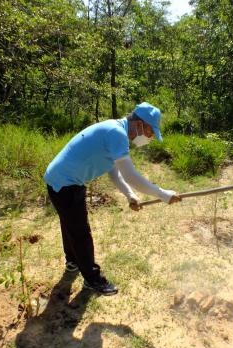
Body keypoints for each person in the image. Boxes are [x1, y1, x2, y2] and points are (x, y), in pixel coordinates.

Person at [44, 102, 181, 296]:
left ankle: (73, 261)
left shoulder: (115, 130)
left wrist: (130, 195)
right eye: (150, 132)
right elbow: (131, 176)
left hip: (62, 180)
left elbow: (115, 173)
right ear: (140, 124)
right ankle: (92, 280)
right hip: (65, 182)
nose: (149, 138)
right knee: (80, 232)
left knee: (70, 223)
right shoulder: (116, 133)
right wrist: (163, 194)